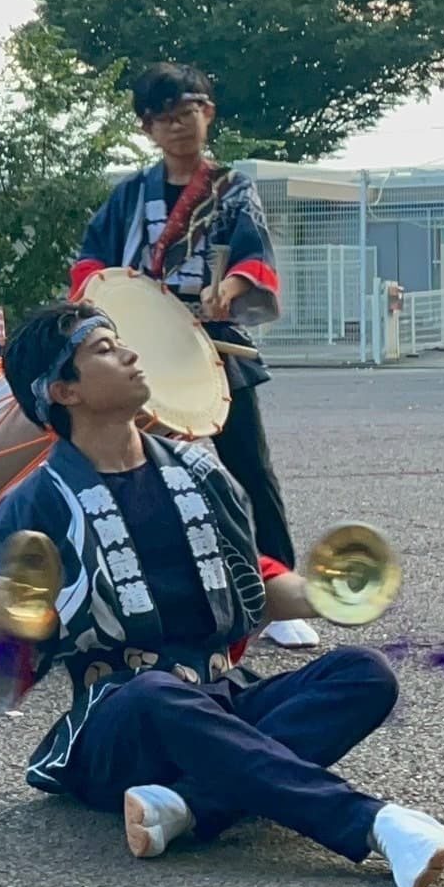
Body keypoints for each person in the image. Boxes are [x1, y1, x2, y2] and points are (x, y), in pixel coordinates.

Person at [0, 301, 444, 887]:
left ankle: (186, 805)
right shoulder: (33, 505)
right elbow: (4, 677)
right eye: (105, 350)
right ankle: (371, 823)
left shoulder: (201, 473)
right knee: (153, 694)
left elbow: (252, 586)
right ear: (64, 391)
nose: (130, 355)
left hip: (220, 697)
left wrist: (325, 591)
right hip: (122, 725)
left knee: (364, 674)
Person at [71, 62, 316, 651]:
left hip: (212, 346)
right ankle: (117, 594)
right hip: (131, 350)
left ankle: (277, 595)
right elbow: (90, 264)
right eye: (165, 118)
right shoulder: (130, 195)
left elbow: (251, 257)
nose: (179, 127)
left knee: (248, 469)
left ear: (208, 114)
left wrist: (227, 291)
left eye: (190, 112)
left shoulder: (232, 189)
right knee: (122, 470)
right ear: (147, 128)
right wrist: (104, 306)